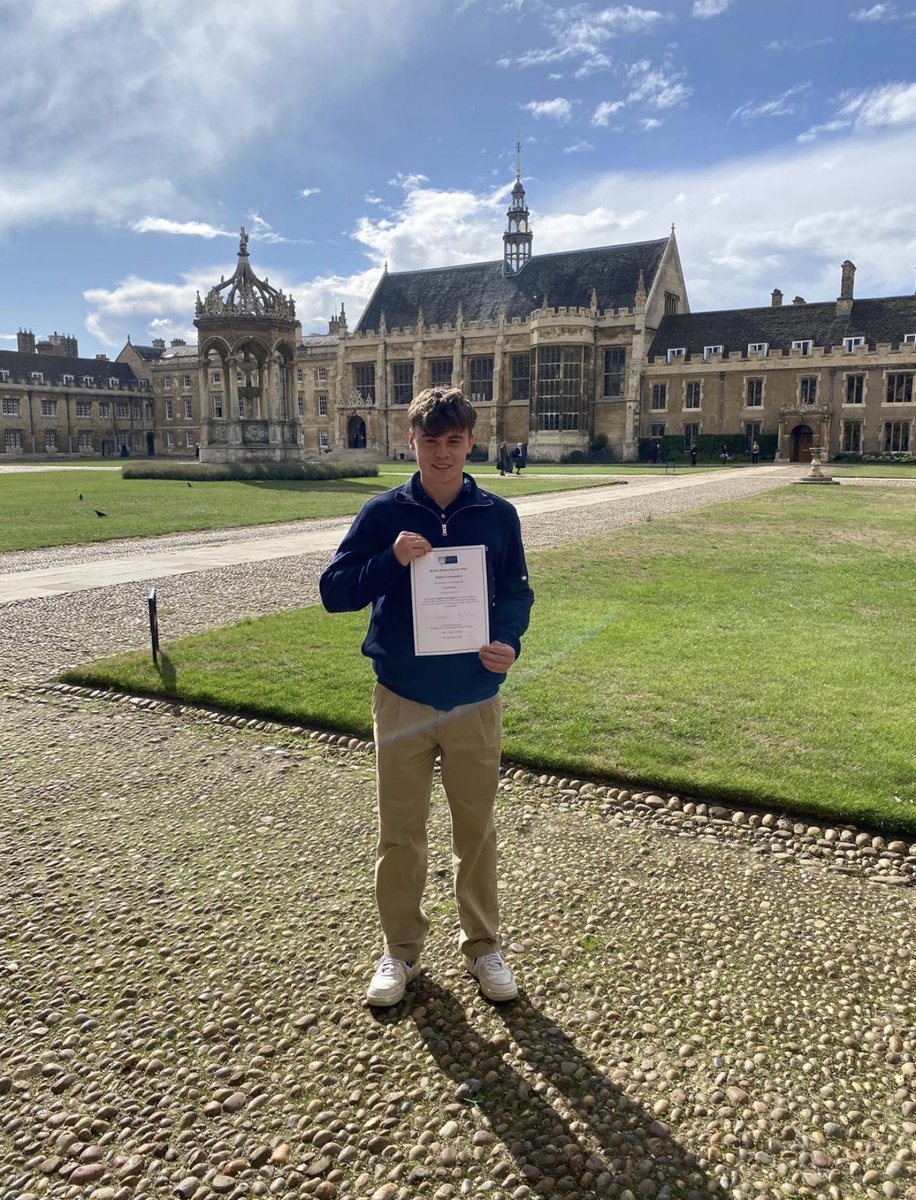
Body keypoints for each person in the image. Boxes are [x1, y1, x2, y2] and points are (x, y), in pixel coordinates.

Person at [320, 387, 534, 1007]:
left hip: (473, 696)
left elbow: (517, 594)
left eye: (454, 441)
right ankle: (401, 951)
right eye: (430, 441)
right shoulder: (383, 513)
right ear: (410, 441)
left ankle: (484, 946)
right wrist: (390, 559)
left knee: (476, 830)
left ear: (471, 442)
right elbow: (335, 592)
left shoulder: (498, 515)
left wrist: (507, 640)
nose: (442, 454)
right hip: (404, 697)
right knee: (400, 833)